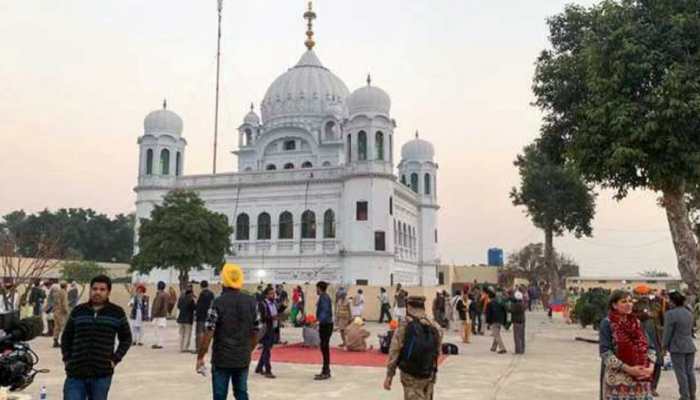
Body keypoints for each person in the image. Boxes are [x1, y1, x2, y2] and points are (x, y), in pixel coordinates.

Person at [61, 275, 132, 400]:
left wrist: (115, 359)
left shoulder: (117, 313)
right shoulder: (78, 311)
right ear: (90, 290)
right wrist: (67, 359)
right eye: (94, 289)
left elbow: (126, 338)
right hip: (76, 373)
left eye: (102, 289)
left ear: (108, 292)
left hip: (101, 374)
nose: (97, 292)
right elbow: (66, 336)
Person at [197, 263, 259, 400]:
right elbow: (256, 331)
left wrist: (200, 356)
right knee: (242, 393)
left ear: (223, 281)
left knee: (219, 395)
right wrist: (248, 349)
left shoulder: (218, 303)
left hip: (221, 359)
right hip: (242, 358)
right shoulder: (252, 302)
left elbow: (208, 333)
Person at [384, 296, 442, 400]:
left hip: (410, 375)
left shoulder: (404, 325)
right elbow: (438, 351)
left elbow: (394, 351)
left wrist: (389, 375)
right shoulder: (435, 326)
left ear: (408, 307)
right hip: (429, 373)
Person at [599, 290, 653, 400]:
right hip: (618, 382)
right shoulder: (607, 323)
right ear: (614, 305)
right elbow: (605, 353)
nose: (629, 304)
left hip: (641, 380)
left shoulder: (637, 323)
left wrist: (650, 368)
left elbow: (651, 347)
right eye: (624, 301)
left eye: (630, 301)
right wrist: (629, 369)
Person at [663, 291, 697, 400]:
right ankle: (692, 395)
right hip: (689, 345)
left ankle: (684, 396)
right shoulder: (689, 312)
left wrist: (664, 346)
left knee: (680, 372)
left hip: (677, 347)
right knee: (690, 372)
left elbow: (667, 332)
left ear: (673, 301)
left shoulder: (670, 314)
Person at [255, 286, 278, 379]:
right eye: (271, 294)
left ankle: (259, 367)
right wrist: (272, 317)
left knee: (266, 348)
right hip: (265, 329)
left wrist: (283, 307)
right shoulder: (262, 304)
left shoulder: (273, 303)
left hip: (272, 328)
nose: (273, 295)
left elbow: (276, 312)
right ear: (266, 295)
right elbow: (262, 317)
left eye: (273, 293)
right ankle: (268, 370)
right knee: (267, 349)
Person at [315, 281, 333, 380]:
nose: (316, 290)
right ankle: (325, 370)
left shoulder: (324, 297)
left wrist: (318, 321)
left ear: (319, 288)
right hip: (325, 324)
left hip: (326, 325)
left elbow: (325, 311)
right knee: (324, 347)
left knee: (324, 348)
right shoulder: (324, 297)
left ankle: (326, 371)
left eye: (317, 288)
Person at [485, 289, 508, 354]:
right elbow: (504, 311)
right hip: (500, 320)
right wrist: (504, 321)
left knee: (496, 334)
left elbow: (488, 314)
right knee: (496, 333)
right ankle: (493, 347)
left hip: (494, 321)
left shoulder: (489, 304)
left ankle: (502, 348)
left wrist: (488, 323)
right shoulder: (499, 302)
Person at [196, 280, 215, 354]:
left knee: (199, 333)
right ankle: (205, 348)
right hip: (209, 316)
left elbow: (199, 306)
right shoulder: (211, 294)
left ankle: (199, 348)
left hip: (201, 316)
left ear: (201, 286)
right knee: (207, 333)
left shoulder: (202, 294)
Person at [177, 285, 196, 353]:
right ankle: (185, 348)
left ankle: (181, 347)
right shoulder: (191, 300)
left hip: (180, 318)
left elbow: (178, 307)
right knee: (187, 334)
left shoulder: (181, 298)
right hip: (188, 319)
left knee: (181, 334)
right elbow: (194, 308)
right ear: (191, 293)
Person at [151, 281, 169, 349]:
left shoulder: (159, 295)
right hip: (163, 315)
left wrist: (153, 314)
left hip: (158, 315)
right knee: (161, 331)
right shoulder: (167, 295)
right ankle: (160, 343)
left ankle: (158, 344)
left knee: (157, 331)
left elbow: (157, 306)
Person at [51, 281, 69, 348]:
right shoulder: (64, 293)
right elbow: (64, 303)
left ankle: (55, 341)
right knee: (63, 327)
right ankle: (64, 342)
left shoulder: (56, 293)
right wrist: (67, 311)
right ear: (66, 286)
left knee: (56, 327)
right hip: (61, 312)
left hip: (56, 311)